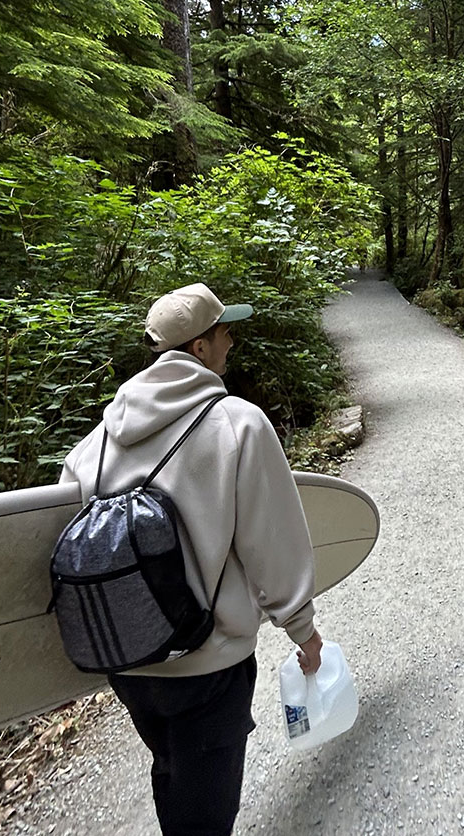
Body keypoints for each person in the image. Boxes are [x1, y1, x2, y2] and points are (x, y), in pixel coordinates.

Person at [60, 283, 323, 834]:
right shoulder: (237, 423)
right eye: (225, 330)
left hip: (129, 662)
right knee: (207, 808)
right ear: (200, 348)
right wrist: (303, 631)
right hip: (209, 661)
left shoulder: (97, 441)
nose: (232, 340)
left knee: (171, 769)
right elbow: (272, 542)